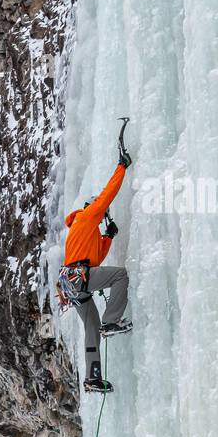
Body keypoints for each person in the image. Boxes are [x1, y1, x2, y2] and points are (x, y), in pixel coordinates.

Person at [57, 141, 134, 393]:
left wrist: (108, 237)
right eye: (101, 214)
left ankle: (92, 378)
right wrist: (121, 167)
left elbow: (96, 262)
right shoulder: (88, 215)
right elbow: (108, 194)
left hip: (73, 285)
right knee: (120, 275)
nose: (102, 217)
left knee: (91, 327)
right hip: (79, 279)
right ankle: (112, 321)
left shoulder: (82, 228)